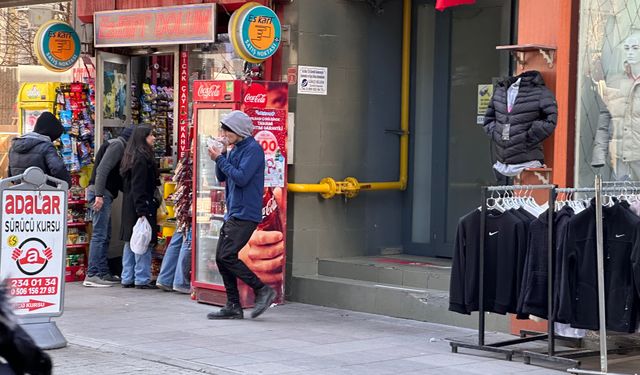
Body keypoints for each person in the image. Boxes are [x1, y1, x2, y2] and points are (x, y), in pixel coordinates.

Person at [206, 110, 276, 320]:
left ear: (238, 131)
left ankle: (262, 289)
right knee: (222, 258)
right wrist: (221, 154)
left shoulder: (253, 150)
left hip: (246, 212)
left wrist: (220, 158)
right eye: (223, 130)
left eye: (227, 130)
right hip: (234, 210)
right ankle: (233, 304)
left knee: (226, 255)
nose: (224, 133)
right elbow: (222, 176)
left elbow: (242, 177)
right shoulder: (234, 149)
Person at [83, 127, 133, 287]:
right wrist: (98, 194)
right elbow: (102, 170)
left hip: (104, 193)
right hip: (101, 193)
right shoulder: (118, 146)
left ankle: (103, 272)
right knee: (100, 234)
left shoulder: (119, 146)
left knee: (105, 234)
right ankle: (92, 274)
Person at [592, 30, 640, 180]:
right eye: (627, 48)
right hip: (620, 158)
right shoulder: (615, 82)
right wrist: (599, 155)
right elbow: (604, 121)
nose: (630, 53)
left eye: (635, 48)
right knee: (618, 201)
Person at [119, 126, 159, 289]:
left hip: (130, 204)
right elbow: (139, 185)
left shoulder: (131, 156)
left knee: (131, 240)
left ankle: (127, 277)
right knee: (143, 239)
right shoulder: (142, 158)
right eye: (151, 135)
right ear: (143, 137)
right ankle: (141, 278)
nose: (154, 138)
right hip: (141, 204)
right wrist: (143, 209)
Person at [8, 111, 71, 187]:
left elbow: (10, 174)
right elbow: (58, 168)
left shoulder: (14, 147)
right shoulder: (46, 147)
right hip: (42, 192)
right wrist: (66, 184)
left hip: (19, 193)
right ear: (50, 133)